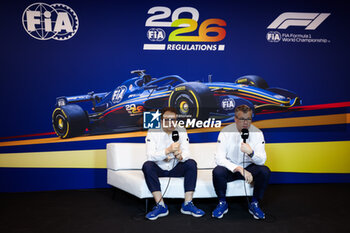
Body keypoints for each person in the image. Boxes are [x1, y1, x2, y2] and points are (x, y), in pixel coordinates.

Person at [142, 107, 205, 220]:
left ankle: (187, 204)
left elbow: (187, 154)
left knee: (191, 163)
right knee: (147, 165)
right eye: (167, 120)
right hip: (159, 168)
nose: (171, 123)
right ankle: (160, 205)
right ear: (161, 121)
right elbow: (150, 155)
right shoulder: (153, 131)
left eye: (174, 120)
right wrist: (167, 151)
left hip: (176, 167)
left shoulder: (181, 130)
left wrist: (180, 156)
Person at [212, 104, 270, 219]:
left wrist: (251, 153)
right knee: (218, 171)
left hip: (249, 168)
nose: (245, 122)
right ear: (235, 119)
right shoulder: (225, 132)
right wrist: (239, 169)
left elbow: (262, 160)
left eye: (248, 119)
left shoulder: (257, 133)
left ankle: (254, 203)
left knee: (264, 171)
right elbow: (219, 159)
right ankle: (222, 202)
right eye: (242, 119)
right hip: (232, 168)